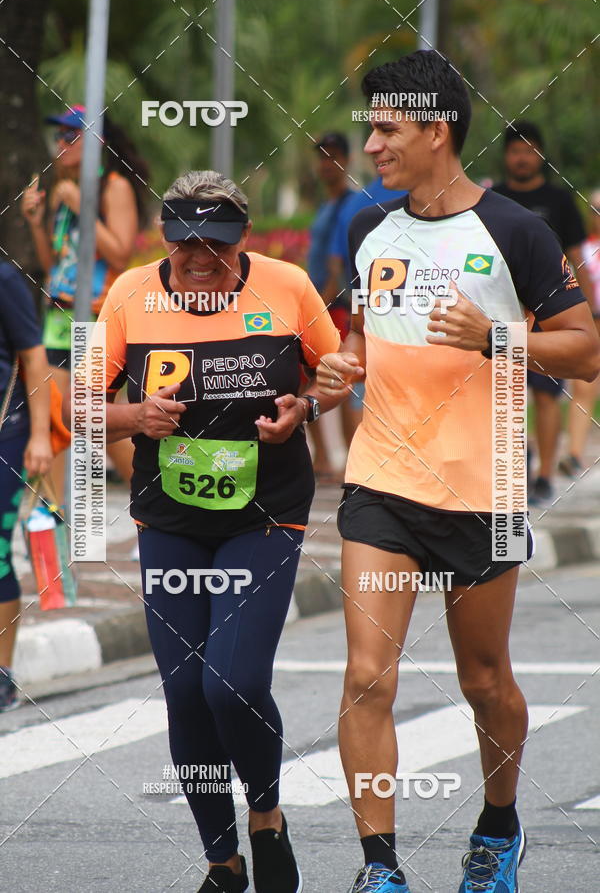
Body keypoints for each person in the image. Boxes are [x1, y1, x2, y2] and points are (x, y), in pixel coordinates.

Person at [316, 50, 600, 893]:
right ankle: (380, 867)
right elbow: (361, 342)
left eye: (387, 128)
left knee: (486, 683)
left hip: (486, 488)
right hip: (383, 481)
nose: (371, 145)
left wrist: (494, 336)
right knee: (368, 674)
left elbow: (585, 350)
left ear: (437, 131)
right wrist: (341, 369)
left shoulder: (517, 231)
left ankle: (499, 827)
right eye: (370, 127)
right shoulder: (372, 230)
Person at [91, 170, 341, 893]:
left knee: (231, 683)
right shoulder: (130, 295)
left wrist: (306, 411)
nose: (201, 258)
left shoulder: (289, 286)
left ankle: (266, 812)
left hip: (264, 514)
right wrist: (135, 418)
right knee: (183, 692)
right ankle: (222, 863)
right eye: (186, 243)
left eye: (218, 245)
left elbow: (335, 377)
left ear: (245, 240)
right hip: (169, 519)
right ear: (164, 238)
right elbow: (80, 406)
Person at [21, 104, 148, 500]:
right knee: (53, 419)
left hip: (96, 316)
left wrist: (80, 205)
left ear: (97, 142)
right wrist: (35, 221)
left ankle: (150, 503)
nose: (61, 144)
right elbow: (53, 264)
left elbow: (120, 253)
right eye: (57, 136)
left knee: (94, 420)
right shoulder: (63, 189)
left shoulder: (113, 187)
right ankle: (54, 519)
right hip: (58, 315)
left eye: (70, 135)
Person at [493, 122, 594, 504]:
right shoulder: (493, 199)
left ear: (540, 154)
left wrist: (586, 310)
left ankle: (547, 473)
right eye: (516, 150)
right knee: (502, 394)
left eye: (529, 150)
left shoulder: (559, 200)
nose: (522, 157)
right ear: (506, 156)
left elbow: (578, 257)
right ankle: (517, 463)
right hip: (501, 314)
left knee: (547, 395)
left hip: (551, 315)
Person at [0, 261, 52, 711]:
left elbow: (34, 356)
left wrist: (39, 435)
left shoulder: (5, 277)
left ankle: (2, 672)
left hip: (7, 430)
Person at [322, 174, 404, 447]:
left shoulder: (357, 203)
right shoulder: (360, 207)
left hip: (379, 311)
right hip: (372, 311)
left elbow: (337, 262)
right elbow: (338, 260)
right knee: (358, 379)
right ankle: (359, 460)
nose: (373, 146)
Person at [306, 131, 353, 481]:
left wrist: (321, 301)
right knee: (306, 377)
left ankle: (352, 460)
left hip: (336, 304)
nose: (327, 164)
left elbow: (338, 260)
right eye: (322, 156)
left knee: (343, 380)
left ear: (347, 161)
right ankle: (322, 456)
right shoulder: (325, 204)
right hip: (321, 302)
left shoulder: (350, 205)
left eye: (333, 156)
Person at [559, 189, 600, 474]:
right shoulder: (581, 250)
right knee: (584, 389)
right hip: (593, 323)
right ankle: (574, 453)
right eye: (596, 209)